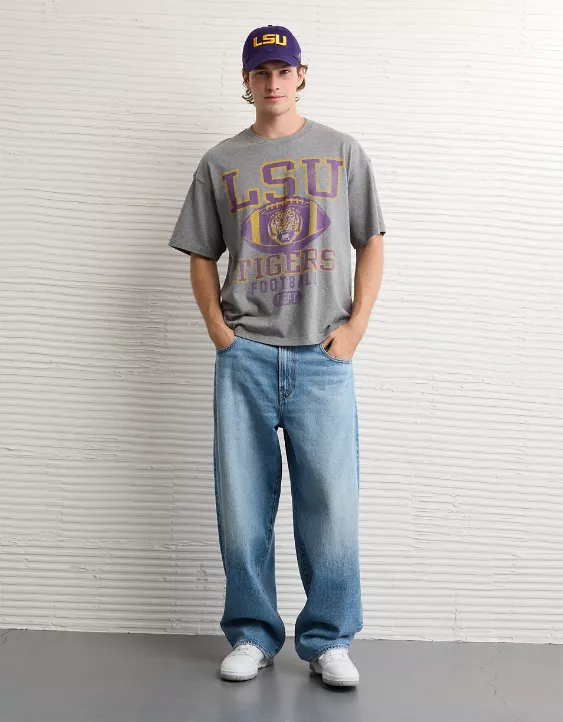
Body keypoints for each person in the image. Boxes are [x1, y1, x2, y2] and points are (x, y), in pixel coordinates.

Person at [168, 24, 386, 687]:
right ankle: (251, 634)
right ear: (246, 80)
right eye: (260, 72)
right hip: (246, 359)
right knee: (242, 507)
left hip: (323, 357)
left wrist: (354, 329)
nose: (272, 82)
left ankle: (328, 640)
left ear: (301, 75)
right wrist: (219, 330)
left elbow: (371, 240)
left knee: (331, 508)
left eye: (283, 70)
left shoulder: (341, 152)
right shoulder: (221, 162)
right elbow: (200, 252)